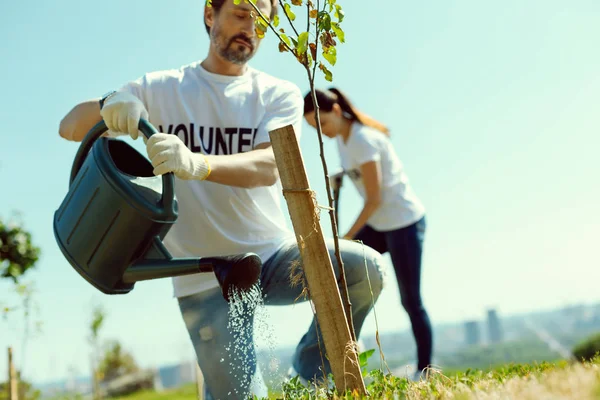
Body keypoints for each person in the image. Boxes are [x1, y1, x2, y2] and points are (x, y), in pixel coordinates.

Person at [58, 1, 384, 399]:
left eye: (262, 21)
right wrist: (112, 103)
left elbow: (271, 165)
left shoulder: (275, 94)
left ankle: (311, 371)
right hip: (202, 274)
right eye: (241, 13)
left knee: (365, 269)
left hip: (272, 257)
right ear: (211, 15)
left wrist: (199, 164)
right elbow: (69, 126)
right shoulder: (162, 89)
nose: (251, 27)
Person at [303, 87, 434, 380]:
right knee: (344, 272)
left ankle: (425, 372)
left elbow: (374, 198)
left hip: (403, 223)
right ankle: (342, 355)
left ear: (336, 111)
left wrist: (345, 238)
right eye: (314, 128)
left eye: (322, 123)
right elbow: (359, 171)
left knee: (411, 301)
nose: (322, 133)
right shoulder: (343, 139)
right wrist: (341, 175)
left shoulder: (363, 139)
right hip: (380, 223)